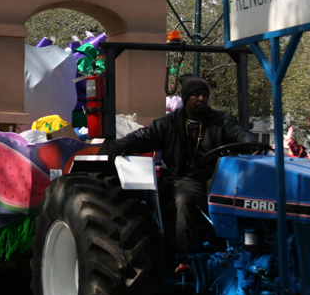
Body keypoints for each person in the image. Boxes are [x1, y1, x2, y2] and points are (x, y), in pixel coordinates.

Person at [108, 75, 257, 254]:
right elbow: (146, 136)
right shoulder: (169, 123)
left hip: (217, 180)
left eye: (204, 94)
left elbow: (238, 134)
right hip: (182, 179)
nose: (202, 98)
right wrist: (125, 143)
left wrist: (252, 144)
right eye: (196, 95)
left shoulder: (219, 121)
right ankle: (184, 257)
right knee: (184, 197)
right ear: (186, 99)